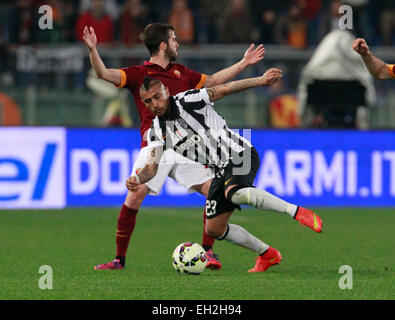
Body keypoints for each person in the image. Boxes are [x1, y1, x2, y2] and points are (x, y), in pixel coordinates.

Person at [82, 22, 266, 270]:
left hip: (183, 144)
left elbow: (212, 81)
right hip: (155, 143)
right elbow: (103, 74)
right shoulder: (139, 74)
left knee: (213, 189)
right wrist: (93, 50)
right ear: (163, 45)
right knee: (135, 195)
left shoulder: (182, 73)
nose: (177, 43)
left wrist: (243, 64)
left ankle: (208, 251)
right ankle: (119, 259)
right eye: (174, 39)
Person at [126, 73, 323, 273]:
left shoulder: (188, 100)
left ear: (166, 92)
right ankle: (267, 254)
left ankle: (297, 212)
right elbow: (151, 168)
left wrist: (260, 80)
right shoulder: (156, 131)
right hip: (219, 169)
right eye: (148, 101)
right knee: (214, 229)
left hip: (240, 152)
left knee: (234, 192)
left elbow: (225, 89)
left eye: (157, 96)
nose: (154, 104)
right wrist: (137, 178)